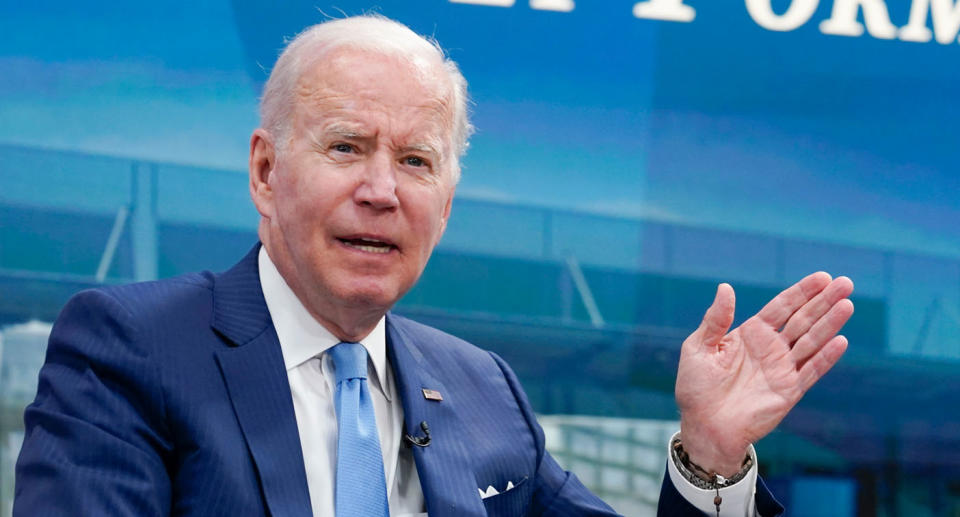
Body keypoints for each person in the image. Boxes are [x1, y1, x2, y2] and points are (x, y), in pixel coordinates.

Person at [13, 15, 854, 517]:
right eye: (347, 146)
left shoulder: (486, 390)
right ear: (266, 172)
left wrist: (708, 452)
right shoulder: (129, 347)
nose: (382, 190)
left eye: (416, 162)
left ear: (445, 207)